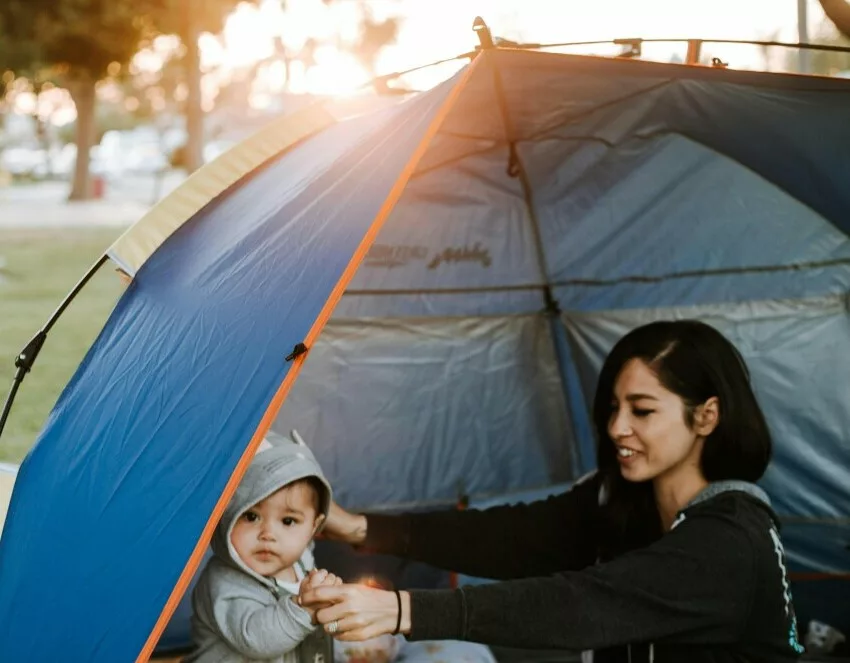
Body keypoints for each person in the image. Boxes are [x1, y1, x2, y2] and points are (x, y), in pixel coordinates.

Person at [299, 320, 806, 662]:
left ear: (706, 417)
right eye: (613, 407)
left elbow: (583, 604)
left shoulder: (731, 540)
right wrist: (360, 527)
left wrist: (402, 610)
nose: (616, 428)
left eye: (642, 410)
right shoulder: (621, 502)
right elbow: (511, 536)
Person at [186, 431, 341, 663]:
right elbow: (255, 640)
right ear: (226, 516)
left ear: (313, 526)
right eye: (250, 516)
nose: (267, 534)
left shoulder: (302, 562)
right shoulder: (223, 581)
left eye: (288, 521)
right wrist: (304, 609)